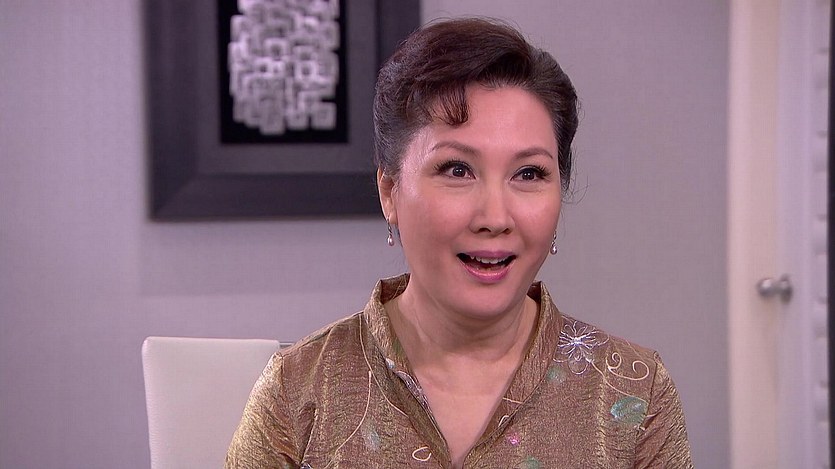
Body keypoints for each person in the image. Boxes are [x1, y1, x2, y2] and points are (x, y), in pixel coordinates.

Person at [226, 18, 693, 469]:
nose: (495, 218)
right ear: (389, 192)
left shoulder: (635, 394)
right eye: (457, 170)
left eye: (528, 173)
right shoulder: (298, 391)